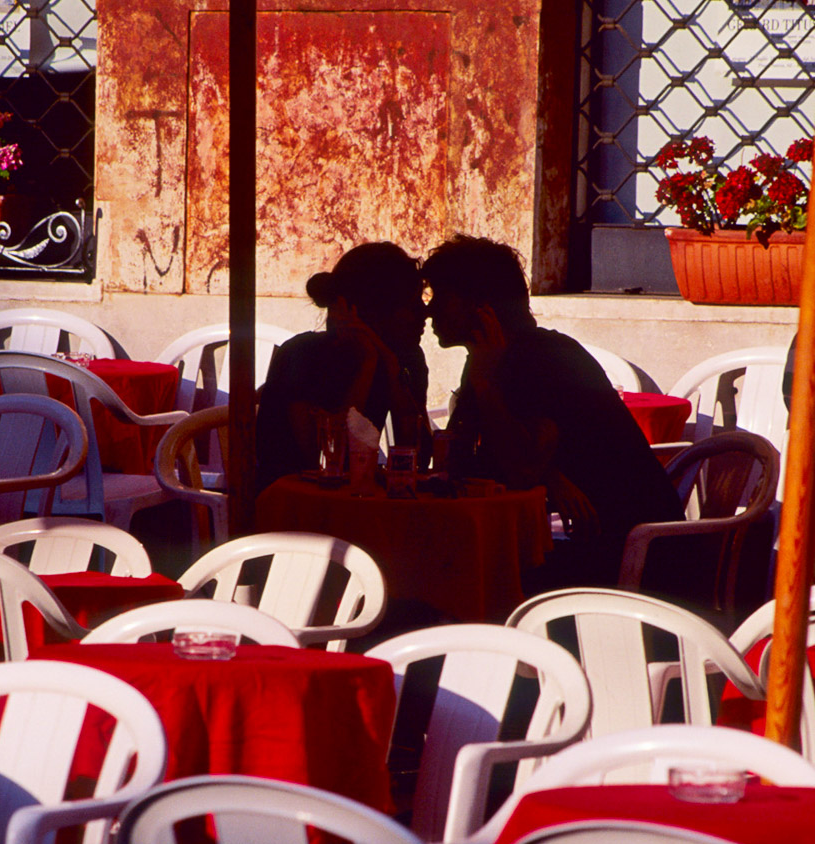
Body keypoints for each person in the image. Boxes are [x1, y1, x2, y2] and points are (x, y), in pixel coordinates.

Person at [422, 234, 685, 588]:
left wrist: (485, 387)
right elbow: (459, 457)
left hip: (626, 553)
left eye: (441, 296)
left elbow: (522, 467)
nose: (429, 309)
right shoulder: (492, 358)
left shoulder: (543, 357)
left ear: (481, 306)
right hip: (579, 538)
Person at [255, 242, 431, 494]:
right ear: (376, 312)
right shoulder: (302, 354)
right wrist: (367, 363)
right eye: (413, 304)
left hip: (356, 504)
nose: (425, 313)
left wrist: (391, 370)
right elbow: (323, 461)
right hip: (293, 506)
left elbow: (418, 458)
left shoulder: (405, 358)